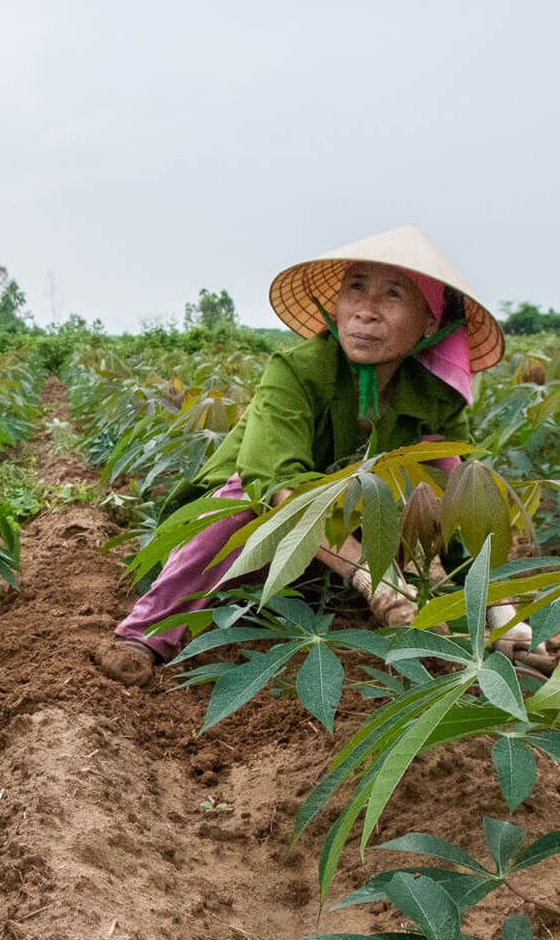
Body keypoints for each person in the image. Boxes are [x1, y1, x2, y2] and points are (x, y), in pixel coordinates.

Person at [94, 225, 519, 687]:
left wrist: (501, 611)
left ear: (430, 323)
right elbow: (276, 487)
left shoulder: (435, 397)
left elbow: (461, 504)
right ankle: (146, 633)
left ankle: (456, 639)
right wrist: (371, 580)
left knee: (438, 475)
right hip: (242, 544)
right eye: (356, 289)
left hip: (341, 547)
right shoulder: (295, 371)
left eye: (392, 296)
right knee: (243, 501)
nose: (366, 312)